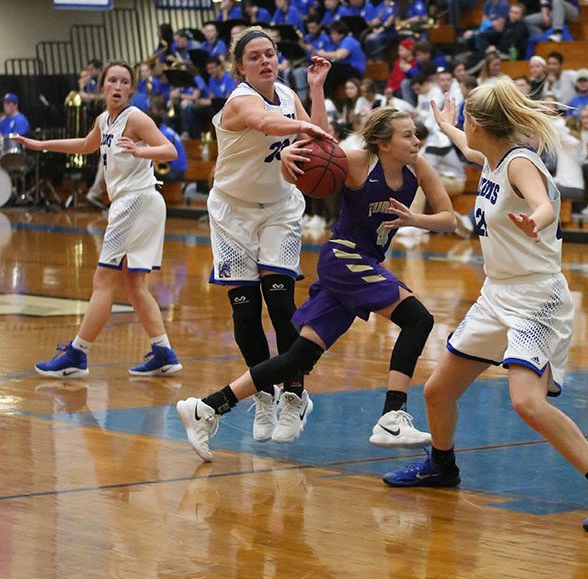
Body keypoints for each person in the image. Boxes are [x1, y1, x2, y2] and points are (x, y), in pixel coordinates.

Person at [380, 80, 588, 534]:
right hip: (497, 294)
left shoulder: (520, 162)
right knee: (437, 391)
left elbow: (543, 203)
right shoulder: (490, 155)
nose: (463, 128)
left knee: (526, 402)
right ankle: (442, 466)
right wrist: (445, 123)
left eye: (464, 120)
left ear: (481, 122)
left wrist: (534, 219)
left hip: (537, 297)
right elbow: (467, 147)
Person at [177, 107, 456, 460]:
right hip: (344, 257)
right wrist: (288, 158)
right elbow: (312, 157)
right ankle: (391, 415)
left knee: (299, 356)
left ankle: (206, 407)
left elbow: (448, 220)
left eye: (415, 134)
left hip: (361, 264)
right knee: (419, 319)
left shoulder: (419, 167)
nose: (417, 141)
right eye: (407, 135)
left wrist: (416, 219)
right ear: (384, 145)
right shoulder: (357, 162)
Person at [184, 28, 333, 451]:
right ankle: (263, 394)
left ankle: (293, 394)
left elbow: (318, 139)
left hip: (280, 209)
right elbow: (263, 123)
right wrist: (291, 140)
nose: (266, 61)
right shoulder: (239, 101)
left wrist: (316, 91)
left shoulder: (289, 94)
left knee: (282, 303)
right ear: (240, 67)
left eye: (270, 53)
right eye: (255, 56)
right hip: (232, 212)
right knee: (246, 313)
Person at [14, 61, 182, 378]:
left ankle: (77, 355)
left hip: (135, 201)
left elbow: (169, 150)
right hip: (142, 203)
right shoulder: (105, 120)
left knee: (103, 282)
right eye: (112, 81)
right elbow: (84, 145)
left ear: (131, 89)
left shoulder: (135, 117)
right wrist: (42, 145)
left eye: (124, 81)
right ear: (101, 86)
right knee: (133, 285)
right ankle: (163, 351)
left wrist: (140, 152)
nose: (118, 86)